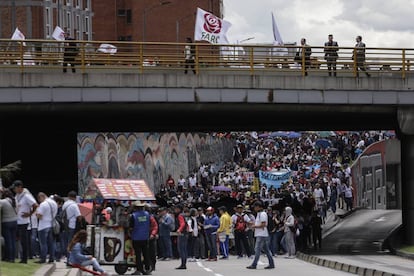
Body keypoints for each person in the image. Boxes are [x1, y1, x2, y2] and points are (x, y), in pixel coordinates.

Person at [12, 180, 38, 264]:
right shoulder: (17, 196)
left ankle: (25, 258)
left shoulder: (26, 196)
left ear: (20, 187)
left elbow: (35, 205)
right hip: (18, 220)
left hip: (24, 221)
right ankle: (22, 257)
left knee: (24, 240)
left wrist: (30, 214)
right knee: (20, 240)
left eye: (15, 188)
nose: (14, 190)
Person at [246, 201, 275, 269]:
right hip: (261, 234)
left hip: (261, 234)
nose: (254, 208)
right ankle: (271, 263)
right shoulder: (259, 214)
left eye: (255, 207)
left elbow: (263, 224)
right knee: (266, 250)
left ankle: (254, 264)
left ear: (258, 207)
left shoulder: (262, 214)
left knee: (257, 249)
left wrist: (254, 226)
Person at [129, 200, 152, 275]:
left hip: (136, 237)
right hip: (145, 237)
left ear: (135, 208)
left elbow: (131, 227)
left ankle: (139, 270)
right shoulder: (147, 214)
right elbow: (150, 224)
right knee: (146, 253)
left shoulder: (133, 215)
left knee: (138, 255)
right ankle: (148, 269)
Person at [35, 192, 58, 264]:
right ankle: (52, 258)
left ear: (41, 197)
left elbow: (40, 216)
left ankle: (43, 258)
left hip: (43, 226)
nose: (39, 201)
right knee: (51, 243)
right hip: (51, 225)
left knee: (43, 243)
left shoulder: (43, 204)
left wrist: (36, 213)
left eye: (39, 199)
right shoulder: (54, 203)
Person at [61, 190, 82, 260]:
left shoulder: (65, 204)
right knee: (71, 242)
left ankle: (66, 256)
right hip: (72, 225)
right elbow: (79, 216)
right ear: (75, 197)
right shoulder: (74, 205)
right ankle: (70, 258)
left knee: (66, 241)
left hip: (65, 225)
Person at [0, 188, 18, 262]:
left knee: (8, 241)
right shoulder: (14, 200)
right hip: (14, 221)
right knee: (13, 240)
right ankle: (13, 257)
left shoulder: (3, 202)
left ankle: (9, 257)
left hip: (6, 222)